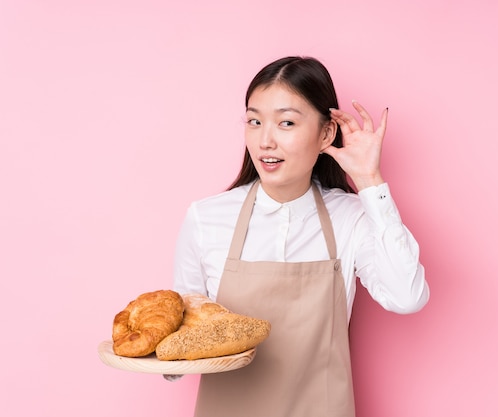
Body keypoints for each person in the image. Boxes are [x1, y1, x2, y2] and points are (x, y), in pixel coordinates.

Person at [171, 56, 429, 417]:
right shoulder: (206, 217)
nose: (265, 140)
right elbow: (183, 331)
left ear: (326, 134)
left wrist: (370, 180)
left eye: (286, 122)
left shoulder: (350, 216)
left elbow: (407, 297)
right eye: (254, 121)